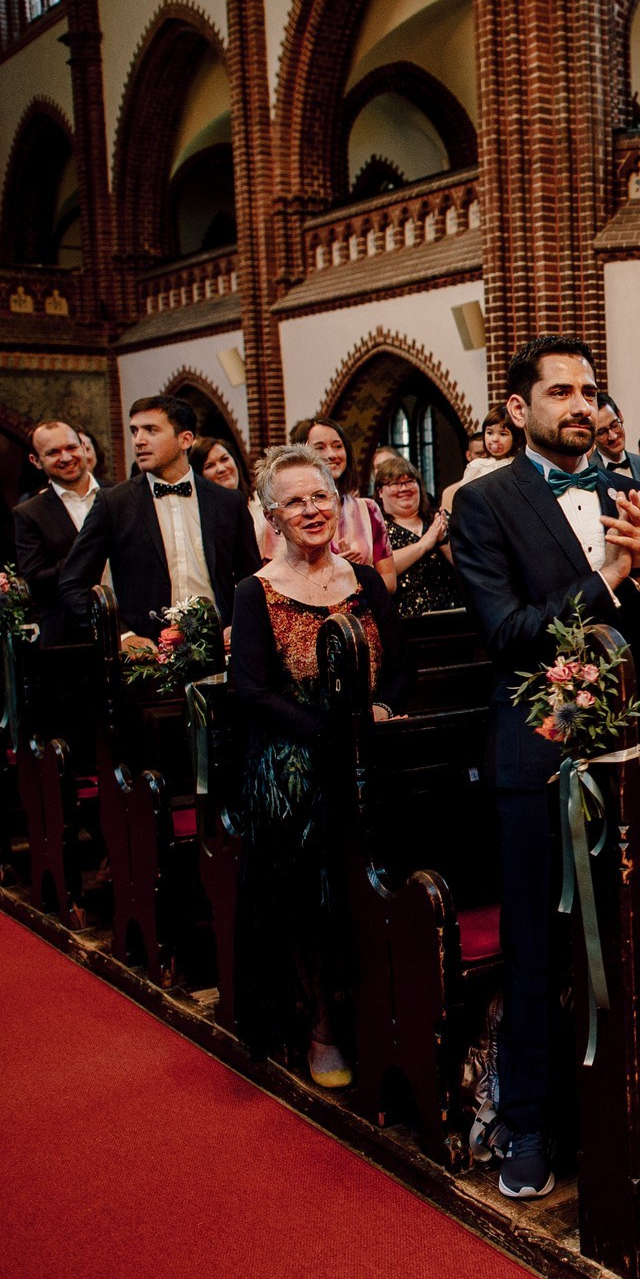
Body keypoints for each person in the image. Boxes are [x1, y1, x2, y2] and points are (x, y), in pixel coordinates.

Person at [448, 335, 640, 1201]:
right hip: (536, 754)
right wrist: (607, 574)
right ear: (520, 410)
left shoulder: (632, 487)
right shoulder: (488, 504)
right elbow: (508, 633)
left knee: (633, 942)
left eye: (589, 390)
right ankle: (528, 1128)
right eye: (560, 391)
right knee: (537, 949)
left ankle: (631, 1119)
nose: (580, 404)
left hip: (635, 747)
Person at [229, 444, 410, 1087]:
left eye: (321, 497)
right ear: (273, 517)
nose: (311, 510)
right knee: (311, 893)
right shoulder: (255, 592)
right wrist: (331, 732)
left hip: (368, 757)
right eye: (295, 501)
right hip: (294, 763)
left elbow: (404, 666)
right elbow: (250, 690)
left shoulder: (363, 580)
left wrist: (384, 706)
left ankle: (385, 1014)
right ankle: (319, 1027)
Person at [60, 395, 262, 644]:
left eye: (151, 430)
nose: (138, 441)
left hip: (221, 647)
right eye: (134, 431)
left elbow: (251, 578)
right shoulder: (114, 503)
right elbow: (73, 585)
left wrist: (239, 625)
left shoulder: (227, 502)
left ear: (185, 439)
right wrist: (122, 635)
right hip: (147, 655)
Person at [274, 419, 397, 592]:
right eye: (320, 447)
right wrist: (330, 569)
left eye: (337, 446)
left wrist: (354, 574)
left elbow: (389, 582)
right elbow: (275, 585)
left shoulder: (368, 510)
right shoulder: (287, 514)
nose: (332, 454)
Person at [13, 420, 103, 644]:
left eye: (71, 448)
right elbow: (34, 580)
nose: (65, 458)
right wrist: (86, 558)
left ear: (83, 447)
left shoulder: (119, 493)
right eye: (53, 452)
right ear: (36, 461)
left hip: (132, 623)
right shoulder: (30, 512)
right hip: (69, 633)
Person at [372, 455, 460, 616]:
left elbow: (466, 566)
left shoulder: (439, 518)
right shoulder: (376, 528)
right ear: (380, 491)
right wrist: (423, 545)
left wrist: (442, 542)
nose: (404, 488)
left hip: (453, 614)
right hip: (404, 621)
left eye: (410, 481)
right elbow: (379, 572)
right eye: (395, 483)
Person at [585, 396, 640, 500]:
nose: (613, 436)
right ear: (591, 435)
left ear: (620, 416)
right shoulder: (586, 473)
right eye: (602, 432)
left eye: (614, 425)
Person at [442, 404, 516, 511]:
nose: (495, 439)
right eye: (490, 433)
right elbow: (465, 497)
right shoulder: (478, 466)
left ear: (515, 438)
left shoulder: (516, 464)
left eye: (503, 434)